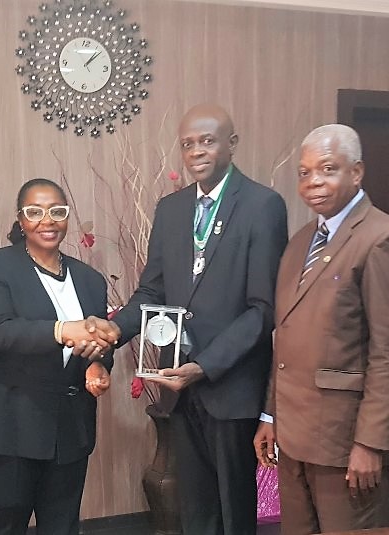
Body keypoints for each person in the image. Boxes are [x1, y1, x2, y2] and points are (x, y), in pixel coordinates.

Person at [102, 103, 289, 534]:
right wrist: (114, 329)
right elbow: (151, 291)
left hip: (231, 387)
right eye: (188, 144)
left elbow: (263, 310)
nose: (196, 152)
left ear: (232, 144)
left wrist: (203, 367)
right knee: (196, 512)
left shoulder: (263, 206)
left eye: (207, 141)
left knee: (235, 512)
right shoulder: (171, 209)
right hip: (180, 392)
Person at [254, 124, 389, 534]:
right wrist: (270, 414)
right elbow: (286, 339)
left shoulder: (383, 239)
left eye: (327, 169)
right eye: (305, 172)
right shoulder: (301, 241)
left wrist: (370, 444)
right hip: (292, 437)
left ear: (357, 172)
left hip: (344, 444)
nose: (313, 183)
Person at [0, 178, 115, 535]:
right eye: (35, 212)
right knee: (1, 525)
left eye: (57, 212)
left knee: (62, 526)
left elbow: (98, 345)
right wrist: (64, 330)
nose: (47, 220)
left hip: (70, 429)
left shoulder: (90, 280)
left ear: (67, 218)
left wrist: (97, 364)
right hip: (9, 426)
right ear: (20, 220)